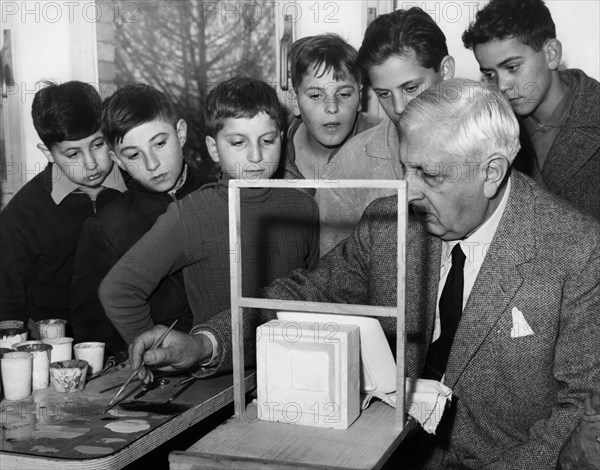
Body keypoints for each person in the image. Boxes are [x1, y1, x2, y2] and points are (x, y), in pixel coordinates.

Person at [127, 80, 600, 469]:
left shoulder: (577, 252)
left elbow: (577, 414)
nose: (407, 192)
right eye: (405, 169)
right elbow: (300, 295)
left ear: (493, 171)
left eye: (429, 175)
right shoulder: (388, 223)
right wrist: (205, 344)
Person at [99, 77, 319, 345]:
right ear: (213, 148)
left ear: (282, 139)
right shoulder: (189, 214)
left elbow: (314, 291)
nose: (256, 156)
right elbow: (118, 290)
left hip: (294, 362)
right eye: (238, 143)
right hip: (219, 372)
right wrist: (154, 352)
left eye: (267, 140)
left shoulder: (304, 206)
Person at [70, 84, 202, 357]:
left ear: (180, 133)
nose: (152, 163)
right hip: (159, 376)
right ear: (117, 160)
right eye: (133, 155)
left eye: (160, 143)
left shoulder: (219, 195)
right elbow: (93, 334)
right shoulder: (105, 227)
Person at [315, 7, 455, 254]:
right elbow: (335, 284)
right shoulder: (347, 169)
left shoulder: (491, 145)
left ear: (445, 71)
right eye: (384, 94)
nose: (399, 107)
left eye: (411, 88)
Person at [0, 81, 126, 331]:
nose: (91, 163)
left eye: (98, 144)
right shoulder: (22, 213)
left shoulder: (140, 190)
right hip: (60, 346)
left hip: (136, 336)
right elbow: (8, 304)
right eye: (72, 154)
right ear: (48, 153)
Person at [462, 0, 600, 220]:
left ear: (552, 54)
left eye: (512, 67)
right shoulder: (488, 130)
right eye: (490, 74)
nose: (502, 86)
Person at [279, 33, 380, 188]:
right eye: (316, 95)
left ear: (360, 97)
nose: (332, 108)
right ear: (294, 100)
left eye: (344, 94)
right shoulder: (272, 145)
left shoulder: (385, 144)